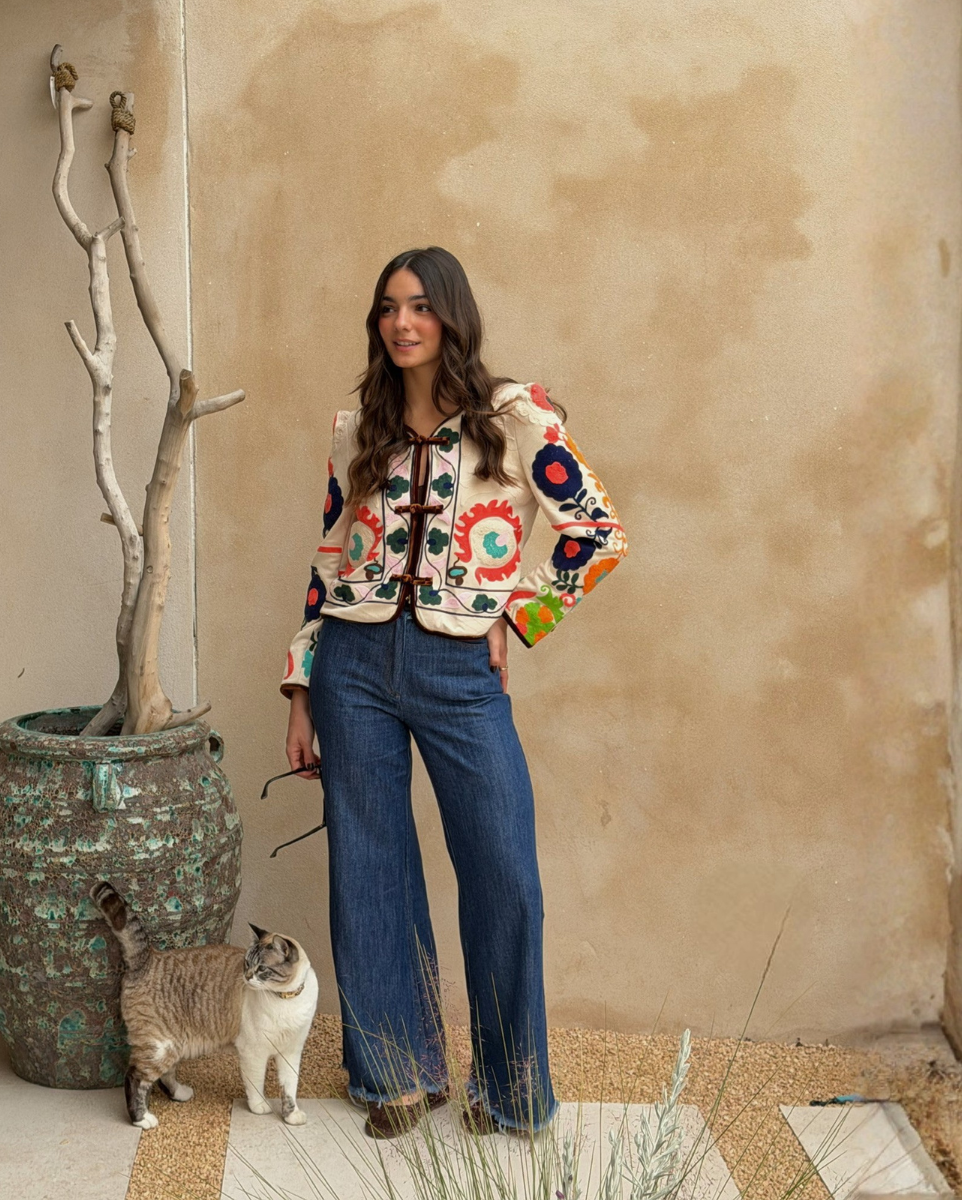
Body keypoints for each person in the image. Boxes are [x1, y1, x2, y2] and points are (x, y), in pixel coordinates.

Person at [278, 246, 627, 1139]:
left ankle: (509, 1090)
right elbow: (329, 553)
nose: (403, 323)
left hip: (458, 667)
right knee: (370, 868)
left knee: (504, 874)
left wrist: (515, 616)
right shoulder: (357, 420)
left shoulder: (515, 417)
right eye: (389, 307)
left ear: (452, 317)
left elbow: (595, 532)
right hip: (352, 663)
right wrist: (301, 686)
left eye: (421, 307)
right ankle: (397, 1074)